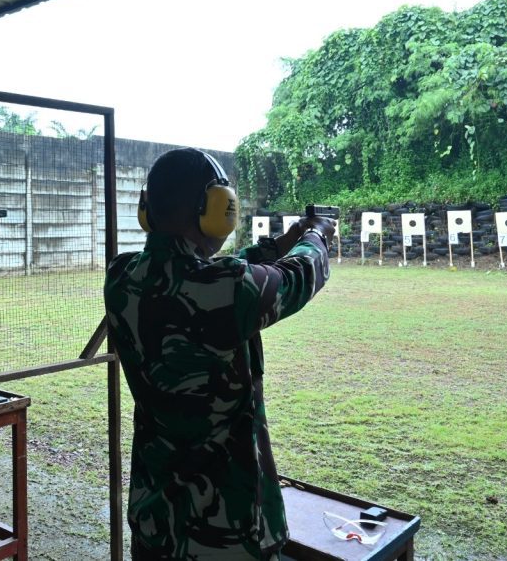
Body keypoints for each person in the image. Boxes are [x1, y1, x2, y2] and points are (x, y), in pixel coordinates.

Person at [104, 148, 335, 560]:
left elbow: (210, 276)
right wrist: (316, 234)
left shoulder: (122, 276)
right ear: (211, 209)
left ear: (147, 208)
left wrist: (277, 244)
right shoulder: (227, 288)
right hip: (225, 530)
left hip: (155, 517)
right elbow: (299, 276)